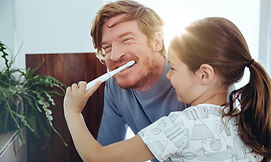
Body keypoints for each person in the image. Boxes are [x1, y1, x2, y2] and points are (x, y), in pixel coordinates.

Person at [64, 17, 271, 161]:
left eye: (173, 68)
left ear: (204, 74)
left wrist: (73, 112)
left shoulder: (180, 126)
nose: (169, 75)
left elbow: (98, 158)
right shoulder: (247, 120)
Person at [90, 0, 188, 152]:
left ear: (156, 42)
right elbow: (107, 151)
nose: (115, 56)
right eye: (107, 48)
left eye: (127, 39)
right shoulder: (115, 86)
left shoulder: (194, 78)